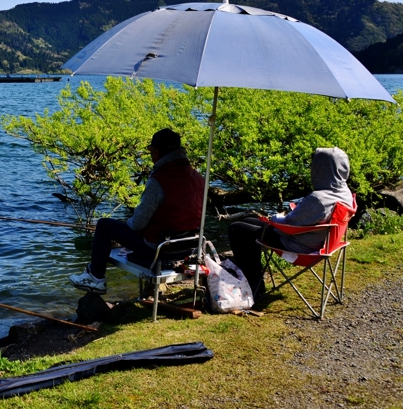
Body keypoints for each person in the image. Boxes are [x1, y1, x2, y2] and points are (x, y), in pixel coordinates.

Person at [69, 128, 205, 295]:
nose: (150, 154)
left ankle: (96, 277)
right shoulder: (198, 177)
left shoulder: (159, 181)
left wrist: (127, 224)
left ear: (158, 150)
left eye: (150, 150)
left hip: (158, 250)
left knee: (104, 225)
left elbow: (138, 223)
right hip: (188, 248)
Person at [228, 147, 354, 302]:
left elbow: (289, 224)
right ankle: (255, 283)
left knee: (236, 229)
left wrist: (275, 217)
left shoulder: (319, 199)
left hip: (296, 244)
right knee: (248, 223)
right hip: (320, 242)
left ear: (321, 168)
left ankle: (253, 286)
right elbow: (303, 218)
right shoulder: (344, 193)